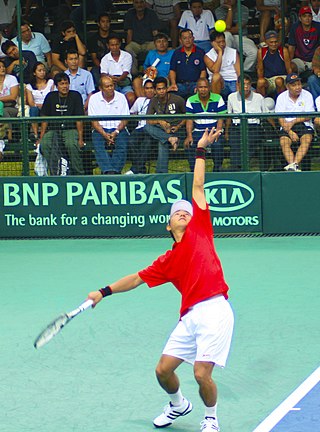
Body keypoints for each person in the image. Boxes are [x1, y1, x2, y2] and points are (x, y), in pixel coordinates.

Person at [87, 126, 234, 432]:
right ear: (168, 225)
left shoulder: (200, 229)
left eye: (186, 212)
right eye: (177, 213)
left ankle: (211, 419)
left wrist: (201, 149)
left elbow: (197, 186)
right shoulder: (167, 261)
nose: (183, 213)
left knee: (201, 373)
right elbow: (137, 278)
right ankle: (179, 405)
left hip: (216, 310)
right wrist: (103, 292)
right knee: (163, 371)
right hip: (190, 315)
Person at [37, 72, 85, 175]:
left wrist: (80, 138)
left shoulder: (76, 96)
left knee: (71, 144)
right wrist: (41, 138)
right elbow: (44, 118)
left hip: (70, 129)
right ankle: (55, 172)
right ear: (56, 86)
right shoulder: (50, 96)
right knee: (45, 144)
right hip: (53, 129)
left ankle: (78, 173)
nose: (65, 86)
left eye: (66, 83)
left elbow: (79, 119)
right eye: (62, 84)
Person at [227, 74, 275, 170]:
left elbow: (267, 115)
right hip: (237, 127)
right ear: (238, 84)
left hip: (254, 127)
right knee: (235, 143)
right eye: (243, 84)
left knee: (250, 142)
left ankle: (239, 167)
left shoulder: (259, 97)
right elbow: (229, 116)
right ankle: (237, 167)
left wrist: (274, 129)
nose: (246, 87)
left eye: (248, 84)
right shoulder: (231, 97)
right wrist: (227, 132)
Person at [88, 74, 130, 175]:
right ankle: (108, 171)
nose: (110, 88)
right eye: (107, 86)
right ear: (101, 88)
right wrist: (104, 134)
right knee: (98, 145)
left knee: (122, 144)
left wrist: (116, 132)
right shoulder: (93, 98)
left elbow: (125, 119)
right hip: (100, 130)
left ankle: (114, 171)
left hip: (119, 129)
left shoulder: (121, 97)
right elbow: (94, 121)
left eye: (112, 85)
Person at [145, 76, 186, 173]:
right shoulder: (153, 101)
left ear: (167, 89)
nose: (161, 91)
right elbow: (148, 120)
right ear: (155, 90)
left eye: (163, 88)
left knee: (161, 141)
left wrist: (178, 126)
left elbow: (187, 116)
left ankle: (161, 174)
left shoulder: (177, 99)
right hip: (162, 130)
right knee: (146, 127)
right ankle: (169, 138)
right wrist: (159, 121)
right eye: (159, 89)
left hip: (177, 130)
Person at [275, 73, 315, 171]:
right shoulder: (281, 97)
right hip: (287, 126)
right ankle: (293, 166)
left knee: (306, 140)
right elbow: (280, 118)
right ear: (287, 86)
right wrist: (289, 132)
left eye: (299, 84)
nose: (297, 87)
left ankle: (294, 165)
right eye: (294, 85)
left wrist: (293, 121)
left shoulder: (307, 95)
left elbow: (309, 115)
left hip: (303, 125)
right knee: (284, 142)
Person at [185, 77, 226, 172]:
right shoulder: (191, 100)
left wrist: (217, 133)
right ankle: (194, 171)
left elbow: (221, 119)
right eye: (201, 87)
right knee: (190, 144)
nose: (203, 89)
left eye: (205, 87)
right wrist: (189, 136)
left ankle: (217, 170)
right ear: (197, 88)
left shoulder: (218, 98)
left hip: (214, 131)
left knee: (218, 145)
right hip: (198, 132)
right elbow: (189, 120)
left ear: (209, 87)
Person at [214, 0, 258, 73]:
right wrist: (230, 10)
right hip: (226, 38)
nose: (228, 0)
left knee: (254, 52)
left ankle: (243, 72)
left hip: (240, 37)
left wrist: (226, 30)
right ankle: (226, 69)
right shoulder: (219, 10)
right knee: (227, 35)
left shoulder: (244, 9)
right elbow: (227, 26)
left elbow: (237, 28)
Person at [125, 79, 156, 174]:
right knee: (131, 141)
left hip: (153, 128)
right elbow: (131, 113)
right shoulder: (140, 100)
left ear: (154, 89)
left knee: (147, 142)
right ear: (144, 90)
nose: (149, 90)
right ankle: (140, 169)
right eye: (147, 88)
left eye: (151, 88)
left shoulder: (158, 101)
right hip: (140, 128)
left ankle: (135, 169)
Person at [124, 0, 160, 76]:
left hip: (149, 42)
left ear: (145, 3)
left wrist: (157, 42)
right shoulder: (130, 13)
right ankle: (134, 73)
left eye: (141, 2)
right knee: (128, 49)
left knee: (155, 47)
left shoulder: (151, 13)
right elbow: (129, 32)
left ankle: (151, 74)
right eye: (136, 2)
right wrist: (129, 44)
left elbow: (155, 31)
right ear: (133, 4)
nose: (139, 5)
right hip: (135, 43)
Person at [168, 29, 207, 99]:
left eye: (189, 37)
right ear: (180, 40)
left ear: (193, 38)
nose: (187, 40)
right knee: (170, 95)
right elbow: (172, 70)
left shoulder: (200, 52)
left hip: (195, 84)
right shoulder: (176, 52)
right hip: (180, 84)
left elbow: (203, 71)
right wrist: (173, 84)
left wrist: (199, 85)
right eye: (184, 38)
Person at [132, 32, 174, 98]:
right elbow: (144, 68)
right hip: (152, 78)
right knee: (136, 81)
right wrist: (147, 71)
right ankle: (143, 101)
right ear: (155, 44)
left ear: (167, 43)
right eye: (159, 42)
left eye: (164, 41)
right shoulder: (151, 53)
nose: (161, 44)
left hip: (166, 79)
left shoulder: (172, 53)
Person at [100, 34, 136, 107]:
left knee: (131, 98)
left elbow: (126, 71)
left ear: (120, 44)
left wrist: (119, 79)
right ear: (108, 46)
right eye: (112, 45)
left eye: (116, 44)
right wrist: (110, 79)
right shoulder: (105, 58)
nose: (114, 47)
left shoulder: (127, 55)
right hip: (111, 82)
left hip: (124, 81)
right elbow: (103, 73)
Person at [204, 30, 239, 101]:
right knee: (216, 76)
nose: (222, 44)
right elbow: (215, 71)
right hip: (220, 84)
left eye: (223, 41)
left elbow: (239, 72)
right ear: (213, 43)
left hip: (234, 81)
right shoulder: (208, 56)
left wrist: (239, 84)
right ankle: (216, 103)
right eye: (219, 42)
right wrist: (220, 52)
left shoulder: (233, 52)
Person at [256, 30, 291, 97]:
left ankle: (281, 102)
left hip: (282, 77)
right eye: (271, 42)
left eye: (275, 42)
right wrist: (261, 79)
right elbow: (260, 69)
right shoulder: (261, 52)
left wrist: (290, 81)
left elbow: (288, 68)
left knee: (279, 81)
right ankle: (262, 102)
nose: (274, 44)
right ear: (266, 42)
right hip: (269, 79)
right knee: (260, 82)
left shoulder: (283, 50)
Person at [26, 62, 54, 141]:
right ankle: (35, 134)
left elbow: (52, 97)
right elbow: (31, 102)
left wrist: (44, 105)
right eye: (40, 70)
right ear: (34, 73)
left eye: (43, 70)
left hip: (49, 106)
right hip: (36, 107)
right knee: (33, 109)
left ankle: (43, 133)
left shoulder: (50, 82)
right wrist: (39, 105)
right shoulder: (29, 86)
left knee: (46, 110)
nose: (42, 72)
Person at [288, 6, 320, 75]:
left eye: (309, 16)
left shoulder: (318, 27)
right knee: (290, 67)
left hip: (315, 60)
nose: (307, 18)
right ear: (300, 18)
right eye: (304, 16)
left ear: (312, 17)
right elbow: (291, 47)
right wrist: (289, 62)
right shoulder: (295, 27)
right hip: (300, 60)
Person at [87, 12, 112, 87]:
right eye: (103, 21)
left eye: (107, 21)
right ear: (98, 23)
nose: (105, 24)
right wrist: (103, 68)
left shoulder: (114, 37)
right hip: (99, 66)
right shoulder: (93, 39)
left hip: (114, 65)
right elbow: (94, 58)